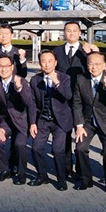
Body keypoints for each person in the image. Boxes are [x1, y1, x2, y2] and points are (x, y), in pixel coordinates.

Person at [52, 21, 98, 177]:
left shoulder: (86, 51)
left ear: (80, 33)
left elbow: (96, 69)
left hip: (82, 99)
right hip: (62, 99)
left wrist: (92, 52)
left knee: (80, 136)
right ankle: (66, 169)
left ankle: (80, 170)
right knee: (64, 135)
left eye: (74, 30)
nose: (71, 33)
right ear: (64, 32)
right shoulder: (56, 51)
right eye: (68, 30)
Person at [73, 52, 106, 194]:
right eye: (91, 64)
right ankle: (86, 179)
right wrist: (79, 125)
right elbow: (76, 103)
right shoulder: (81, 79)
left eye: (97, 64)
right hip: (87, 121)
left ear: (105, 65)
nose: (94, 67)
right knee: (80, 148)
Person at [0, 54, 36, 185]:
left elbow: (29, 103)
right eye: (0, 66)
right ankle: (3, 170)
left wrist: (19, 89)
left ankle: (21, 173)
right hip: (5, 121)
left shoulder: (21, 81)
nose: (3, 69)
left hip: (21, 121)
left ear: (12, 67)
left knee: (19, 145)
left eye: (7, 66)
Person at [28, 50, 72, 191]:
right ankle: (42, 176)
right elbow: (32, 103)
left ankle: (61, 179)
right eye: (43, 61)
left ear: (55, 62)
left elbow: (68, 96)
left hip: (60, 121)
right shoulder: (35, 80)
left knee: (57, 150)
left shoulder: (64, 78)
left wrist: (57, 83)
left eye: (50, 61)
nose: (46, 64)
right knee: (36, 148)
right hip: (43, 119)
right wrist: (32, 123)